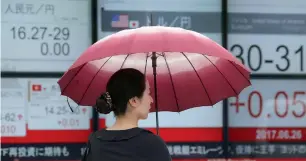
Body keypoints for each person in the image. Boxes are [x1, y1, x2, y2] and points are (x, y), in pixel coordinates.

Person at [82, 68, 172, 161]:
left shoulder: (95, 142)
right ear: (134, 101)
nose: (151, 100)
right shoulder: (153, 144)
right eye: (148, 93)